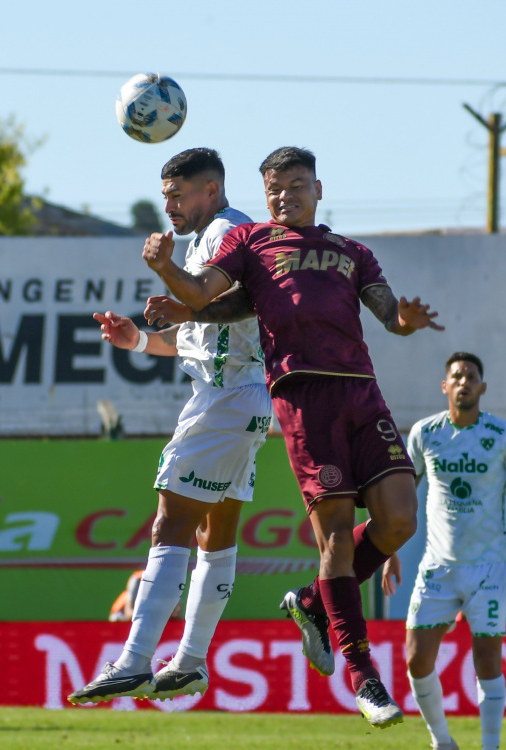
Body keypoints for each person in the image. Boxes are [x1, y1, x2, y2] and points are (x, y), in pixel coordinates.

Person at [140, 146, 443, 729]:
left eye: (297, 185)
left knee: (400, 520)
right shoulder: (253, 243)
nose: (286, 197)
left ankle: (310, 602)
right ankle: (363, 676)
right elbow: (208, 295)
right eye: (275, 189)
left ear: (319, 189)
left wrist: (407, 318)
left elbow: (388, 316)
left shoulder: (352, 253)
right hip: (303, 399)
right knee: (335, 540)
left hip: (363, 393)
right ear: (266, 194)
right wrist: (167, 272)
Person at [68, 148, 272, 705]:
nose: (170, 206)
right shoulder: (213, 240)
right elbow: (201, 329)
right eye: (165, 197)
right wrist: (135, 339)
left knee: (170, 522)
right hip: (239, 395)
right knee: (215, 532)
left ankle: (135, 661)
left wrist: (165, 269)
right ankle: (188, 662)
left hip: (226, 399)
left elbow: (203, 299)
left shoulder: (232, 234)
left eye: (178, 195)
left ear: (211, 189)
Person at [382, 352, 506, 750]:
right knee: (416, 660)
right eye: (457, 376)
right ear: (445, 386)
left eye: (471, 376)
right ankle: (442, 741)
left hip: (488, 568)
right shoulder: (424, 434)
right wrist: (389, 548)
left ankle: (490, 746)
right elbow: (405, 497)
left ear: (482, 387)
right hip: (437, 567)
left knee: (488, 659)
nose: (464, 382)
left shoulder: (503, 435)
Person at [108, 569, 182, 623]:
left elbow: (177, 614)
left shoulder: (171, 581)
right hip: (121, 617)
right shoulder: (139, 578)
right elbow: (129, 613)